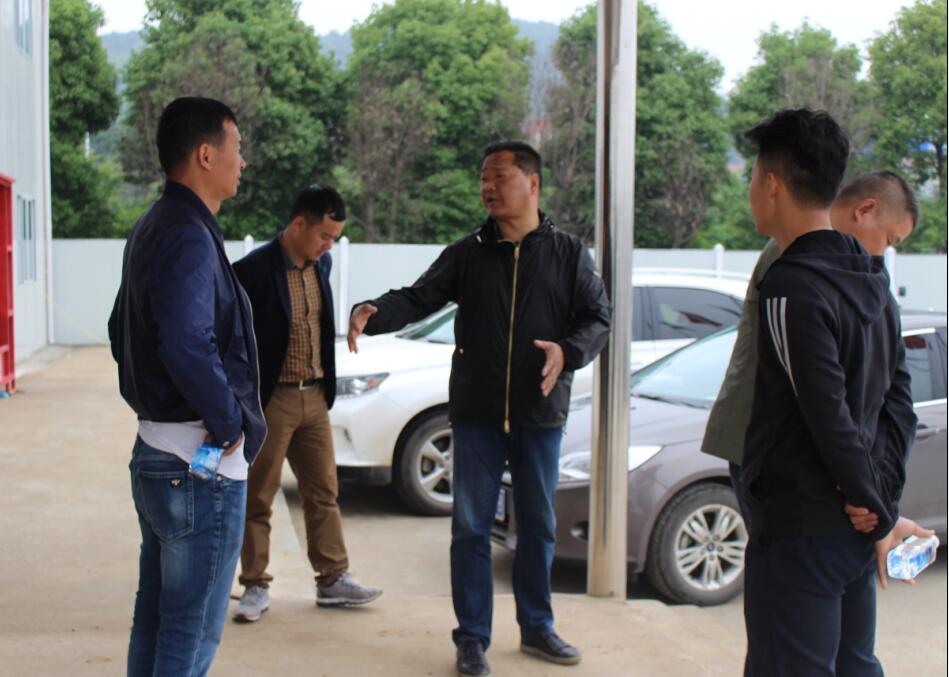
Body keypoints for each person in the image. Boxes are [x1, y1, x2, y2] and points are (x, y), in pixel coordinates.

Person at [348, 141, 610, 677]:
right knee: (469, 529)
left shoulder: (568, 254)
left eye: (500, 177)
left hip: (539, 413)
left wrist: (568, 351)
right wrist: (374, 312)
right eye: (484, 178)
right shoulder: (468, 252)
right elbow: (419, 296)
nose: (488, 187)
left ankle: (537, 627)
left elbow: (597, 318)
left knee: (537, 527)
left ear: (533, 184)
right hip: (476, 414)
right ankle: (472, 638)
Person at [737, 108, 921, 676]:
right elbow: (898, 407)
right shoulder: (871, 279)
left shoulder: (789, 284)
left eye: (753, 177)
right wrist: (877, 501)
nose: (751, 190)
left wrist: (877, 509)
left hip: (801, 527)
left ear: (772, 183)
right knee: (854, 664)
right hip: (850, 527)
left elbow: (826, 414)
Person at [108, 96, 266, 676]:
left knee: (156, 620)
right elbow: (186, 341)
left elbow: (119, 327)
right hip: (195, 463)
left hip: (159, 449)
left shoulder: (155, 225)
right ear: (205, 154)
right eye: (237, 148)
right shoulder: (189, 235)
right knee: (190, 632)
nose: (242, 161)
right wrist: (227, 423)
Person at [702, 169, 921, 524]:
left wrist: (868, 488)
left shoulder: (852, 273)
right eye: (889, 239)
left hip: (831, 460)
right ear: (864, 210)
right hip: (782, 453)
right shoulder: (797, 257)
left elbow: (892, 389)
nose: (883, 253)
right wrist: (862, 486)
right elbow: (823, 397)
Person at [230, 185, 382, 622]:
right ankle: (254, 585)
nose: (328, 246)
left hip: (314, 397)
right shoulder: (252, 271)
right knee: (258, 496)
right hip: (272, 400)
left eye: (334, 238)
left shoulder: (322, 264)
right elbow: (232, 340)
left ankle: (332, 579)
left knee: (323, 493)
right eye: (324, 236)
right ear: (299, 224)